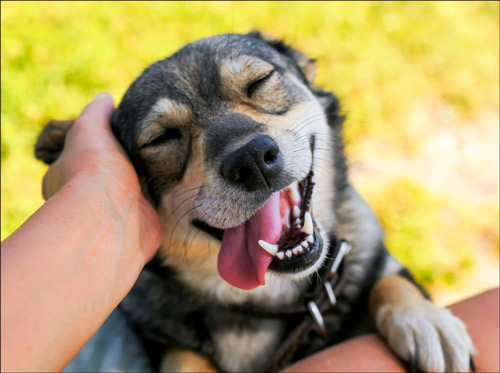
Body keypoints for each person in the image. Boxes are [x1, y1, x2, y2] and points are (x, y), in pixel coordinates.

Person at [2, 94, 498, 373]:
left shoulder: (354, 233)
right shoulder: (148, 300)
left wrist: (396, 297)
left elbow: (376, 269)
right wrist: (97, 193)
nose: (246, 148)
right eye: (166, 136)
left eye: (260, 85)